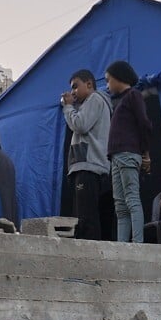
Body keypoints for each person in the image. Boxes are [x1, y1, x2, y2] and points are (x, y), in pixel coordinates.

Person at [104, 60, 152, 244]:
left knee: (131, 198)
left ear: (119, 77)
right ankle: (122, 244)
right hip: (116, 156)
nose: (107, 85)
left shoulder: (134, 95)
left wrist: (145, 152)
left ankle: (137, 243)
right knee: (120, 205)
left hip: (127, 153)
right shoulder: (121, 101)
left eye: (108, 80)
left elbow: (144, 124)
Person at [59, 69, 111, 240]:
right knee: (92, 217)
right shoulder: (92, 103)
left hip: (88, 167)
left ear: (89, 84)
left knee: (86, 219)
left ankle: (88, 251)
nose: (72, 92)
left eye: (75, 86)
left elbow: (80, 124)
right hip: (92, 166)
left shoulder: (94, 99)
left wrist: (68, 107)